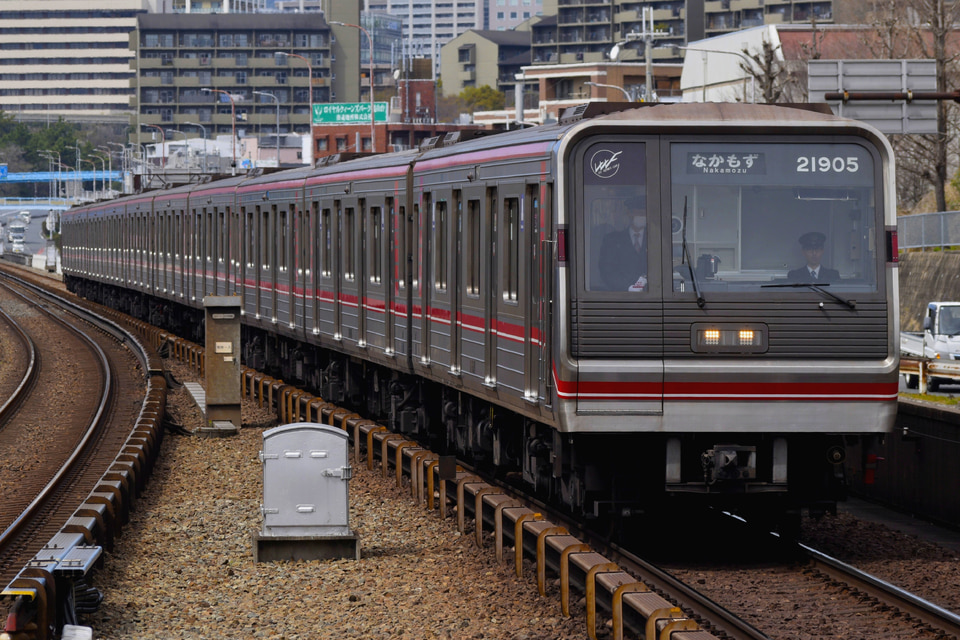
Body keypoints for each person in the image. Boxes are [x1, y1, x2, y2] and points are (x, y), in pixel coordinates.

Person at [598, 198, 647, 291]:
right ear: (629, 213)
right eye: (638, 213)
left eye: (644, 213)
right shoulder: (612, 240)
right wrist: (628, 287)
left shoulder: (656, 238)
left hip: (653, 295)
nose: (642, 216)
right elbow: (607, 270)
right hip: (622, 296)